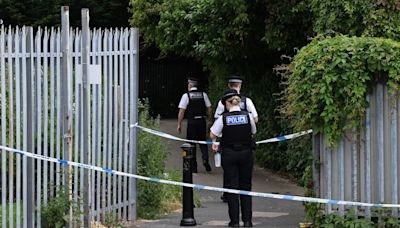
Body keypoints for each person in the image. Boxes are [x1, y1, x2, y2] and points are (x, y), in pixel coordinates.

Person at [210, 89, 256, 227]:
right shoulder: (248, 116)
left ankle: (234, 222)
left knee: (232, 188)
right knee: (246, 187)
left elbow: (212, 134)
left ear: (226, 103)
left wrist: (219, 139)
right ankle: (247, 221)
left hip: (229, 154)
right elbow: (253, 131)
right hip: (246, 154)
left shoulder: (223, 118)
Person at [214, 75, 258, 202]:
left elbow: (218, 118)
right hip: (245, 143)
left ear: (229, 85)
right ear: (240, 85)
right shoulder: (247, 101)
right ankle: (246, 214)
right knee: (245, 177)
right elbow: (255, 118)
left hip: (227, 141)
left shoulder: (223, 101)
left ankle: (228, 194)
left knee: (229, 171)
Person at [177, 77, 213, 172]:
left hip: (192, 122)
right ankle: (205, 159)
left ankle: (194, 167)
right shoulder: (203, 94)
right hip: (202, 121)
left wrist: (179, 124)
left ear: (190, 85)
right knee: (203, 143)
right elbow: (209, 108)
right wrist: (210, 120)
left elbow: (182, 111)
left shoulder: (186, 96)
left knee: (191, 144)